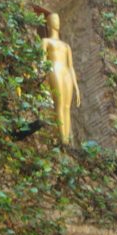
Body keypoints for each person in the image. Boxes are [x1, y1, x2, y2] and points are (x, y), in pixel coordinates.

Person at [42, 12, 80, 144]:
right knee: (59, 102)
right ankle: (60, 136)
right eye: (54, 19)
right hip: (54, 68)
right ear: (48, 23)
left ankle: (66, 138)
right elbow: (42, 60)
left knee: (67, 106)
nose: (57, 22)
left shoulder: (66, 46)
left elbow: (71, 67)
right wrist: (43, 78)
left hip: (66, 72)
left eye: (58, 19)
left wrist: (76, 86)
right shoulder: (46, 41)